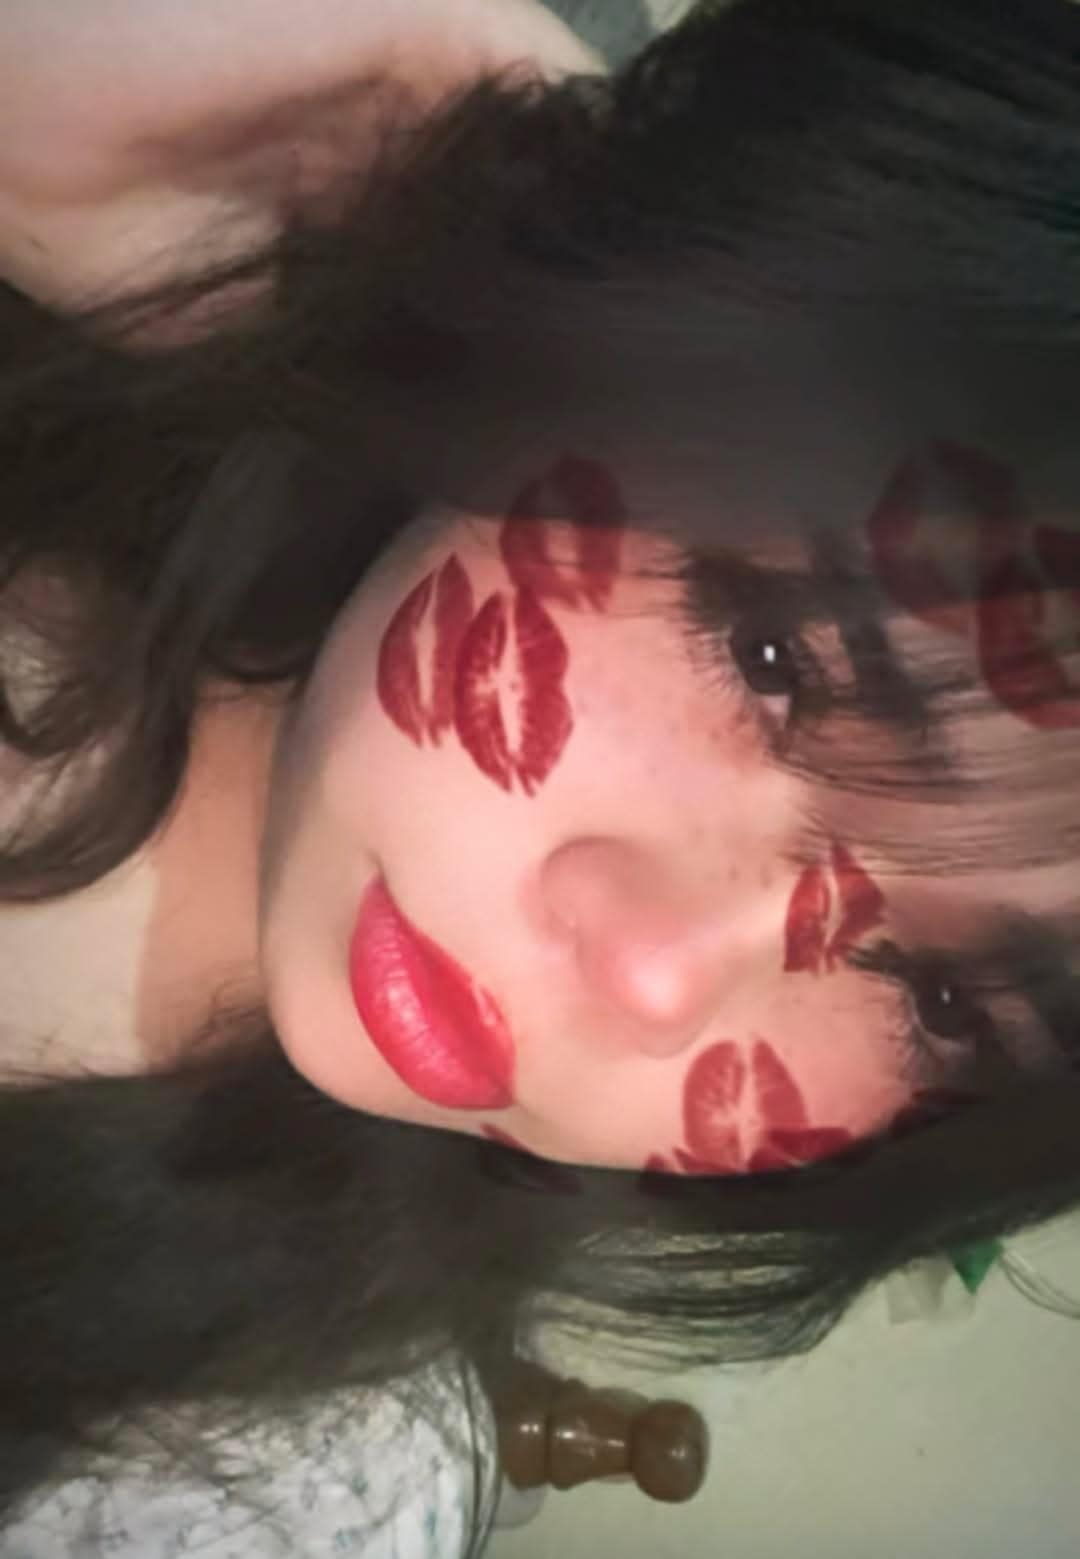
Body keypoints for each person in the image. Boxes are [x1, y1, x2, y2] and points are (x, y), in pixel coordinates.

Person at [1, 0, 1079, 1551]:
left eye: (943, 1005)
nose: (654, 980)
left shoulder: (257, 1474)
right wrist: (468, 144)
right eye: (773, 656)